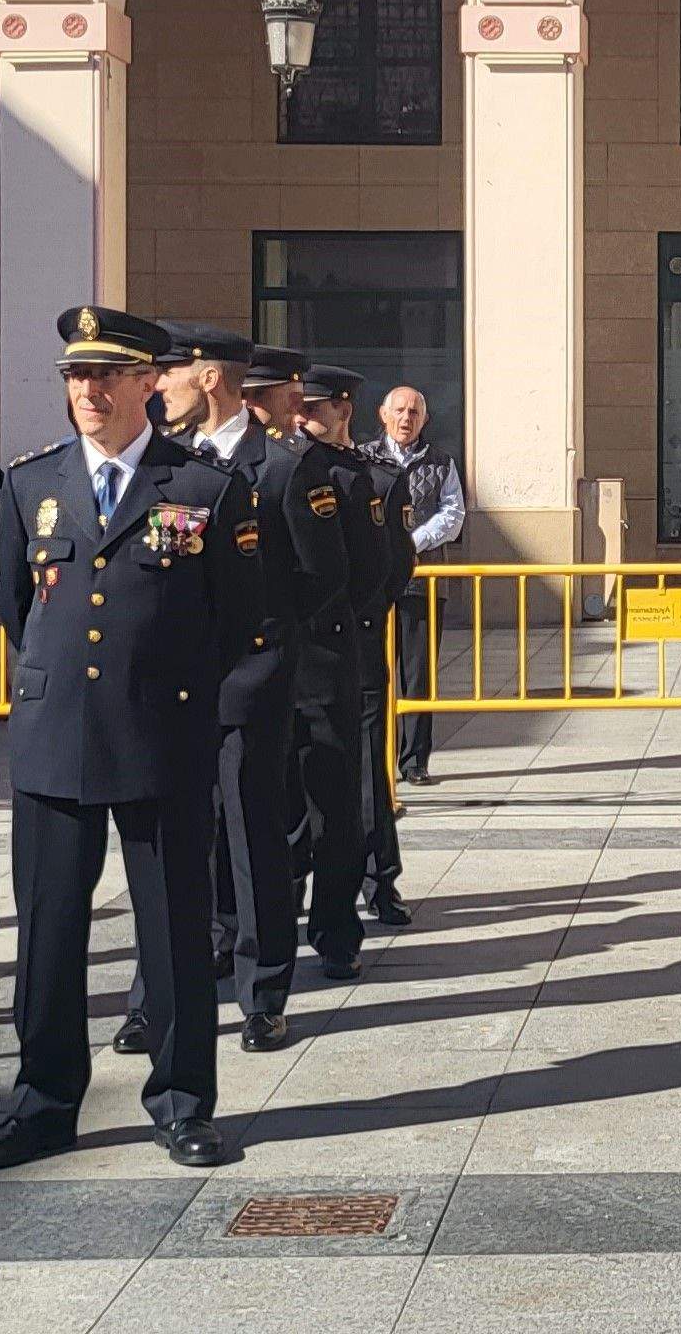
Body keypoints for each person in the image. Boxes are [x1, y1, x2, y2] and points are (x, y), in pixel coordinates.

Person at [0, 307, 254, 1172]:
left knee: (171, 930)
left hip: (161, 731)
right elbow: (17, 607)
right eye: (74, 378)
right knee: (49, 932)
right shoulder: (30, 483)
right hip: (55, 737)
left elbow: (236, 618)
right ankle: (45, 1102)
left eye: (106, 376)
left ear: (147, 384)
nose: (87, 391)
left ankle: (181, 1100)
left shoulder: (200, 486)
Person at [153, 327, 346, 1054]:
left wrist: (264, 640)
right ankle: (171, 981)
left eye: (170, 372)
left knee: (253, 832)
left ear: (208, 378)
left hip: (251, 674)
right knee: (180, 834)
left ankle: (263, 989)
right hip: (177, 681)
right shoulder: (168, 464)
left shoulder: (285, 466)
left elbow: (322, 575)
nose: (159, 385)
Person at [300, 366, 415, 933]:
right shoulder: (285, 470)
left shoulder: (379, 479)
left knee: (368, 766)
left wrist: (360, 617)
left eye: (315, 408)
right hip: (296, 648)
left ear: (343, 409)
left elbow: (394, 566)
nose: (303, 417)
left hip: (357, 642)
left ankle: (379, 879)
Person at [370, 386, 465, 785]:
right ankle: (377, 758)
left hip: (421, 582)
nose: (406, 418)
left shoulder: (442, 463)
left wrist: (411, 541)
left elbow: (454, 514)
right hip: (374, 582)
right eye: (399, 411)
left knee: (418, 672)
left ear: (424, 419)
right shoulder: (364, 458)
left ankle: (414, 761)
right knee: (374, 672)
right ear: (383, 415)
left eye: (414, 412)